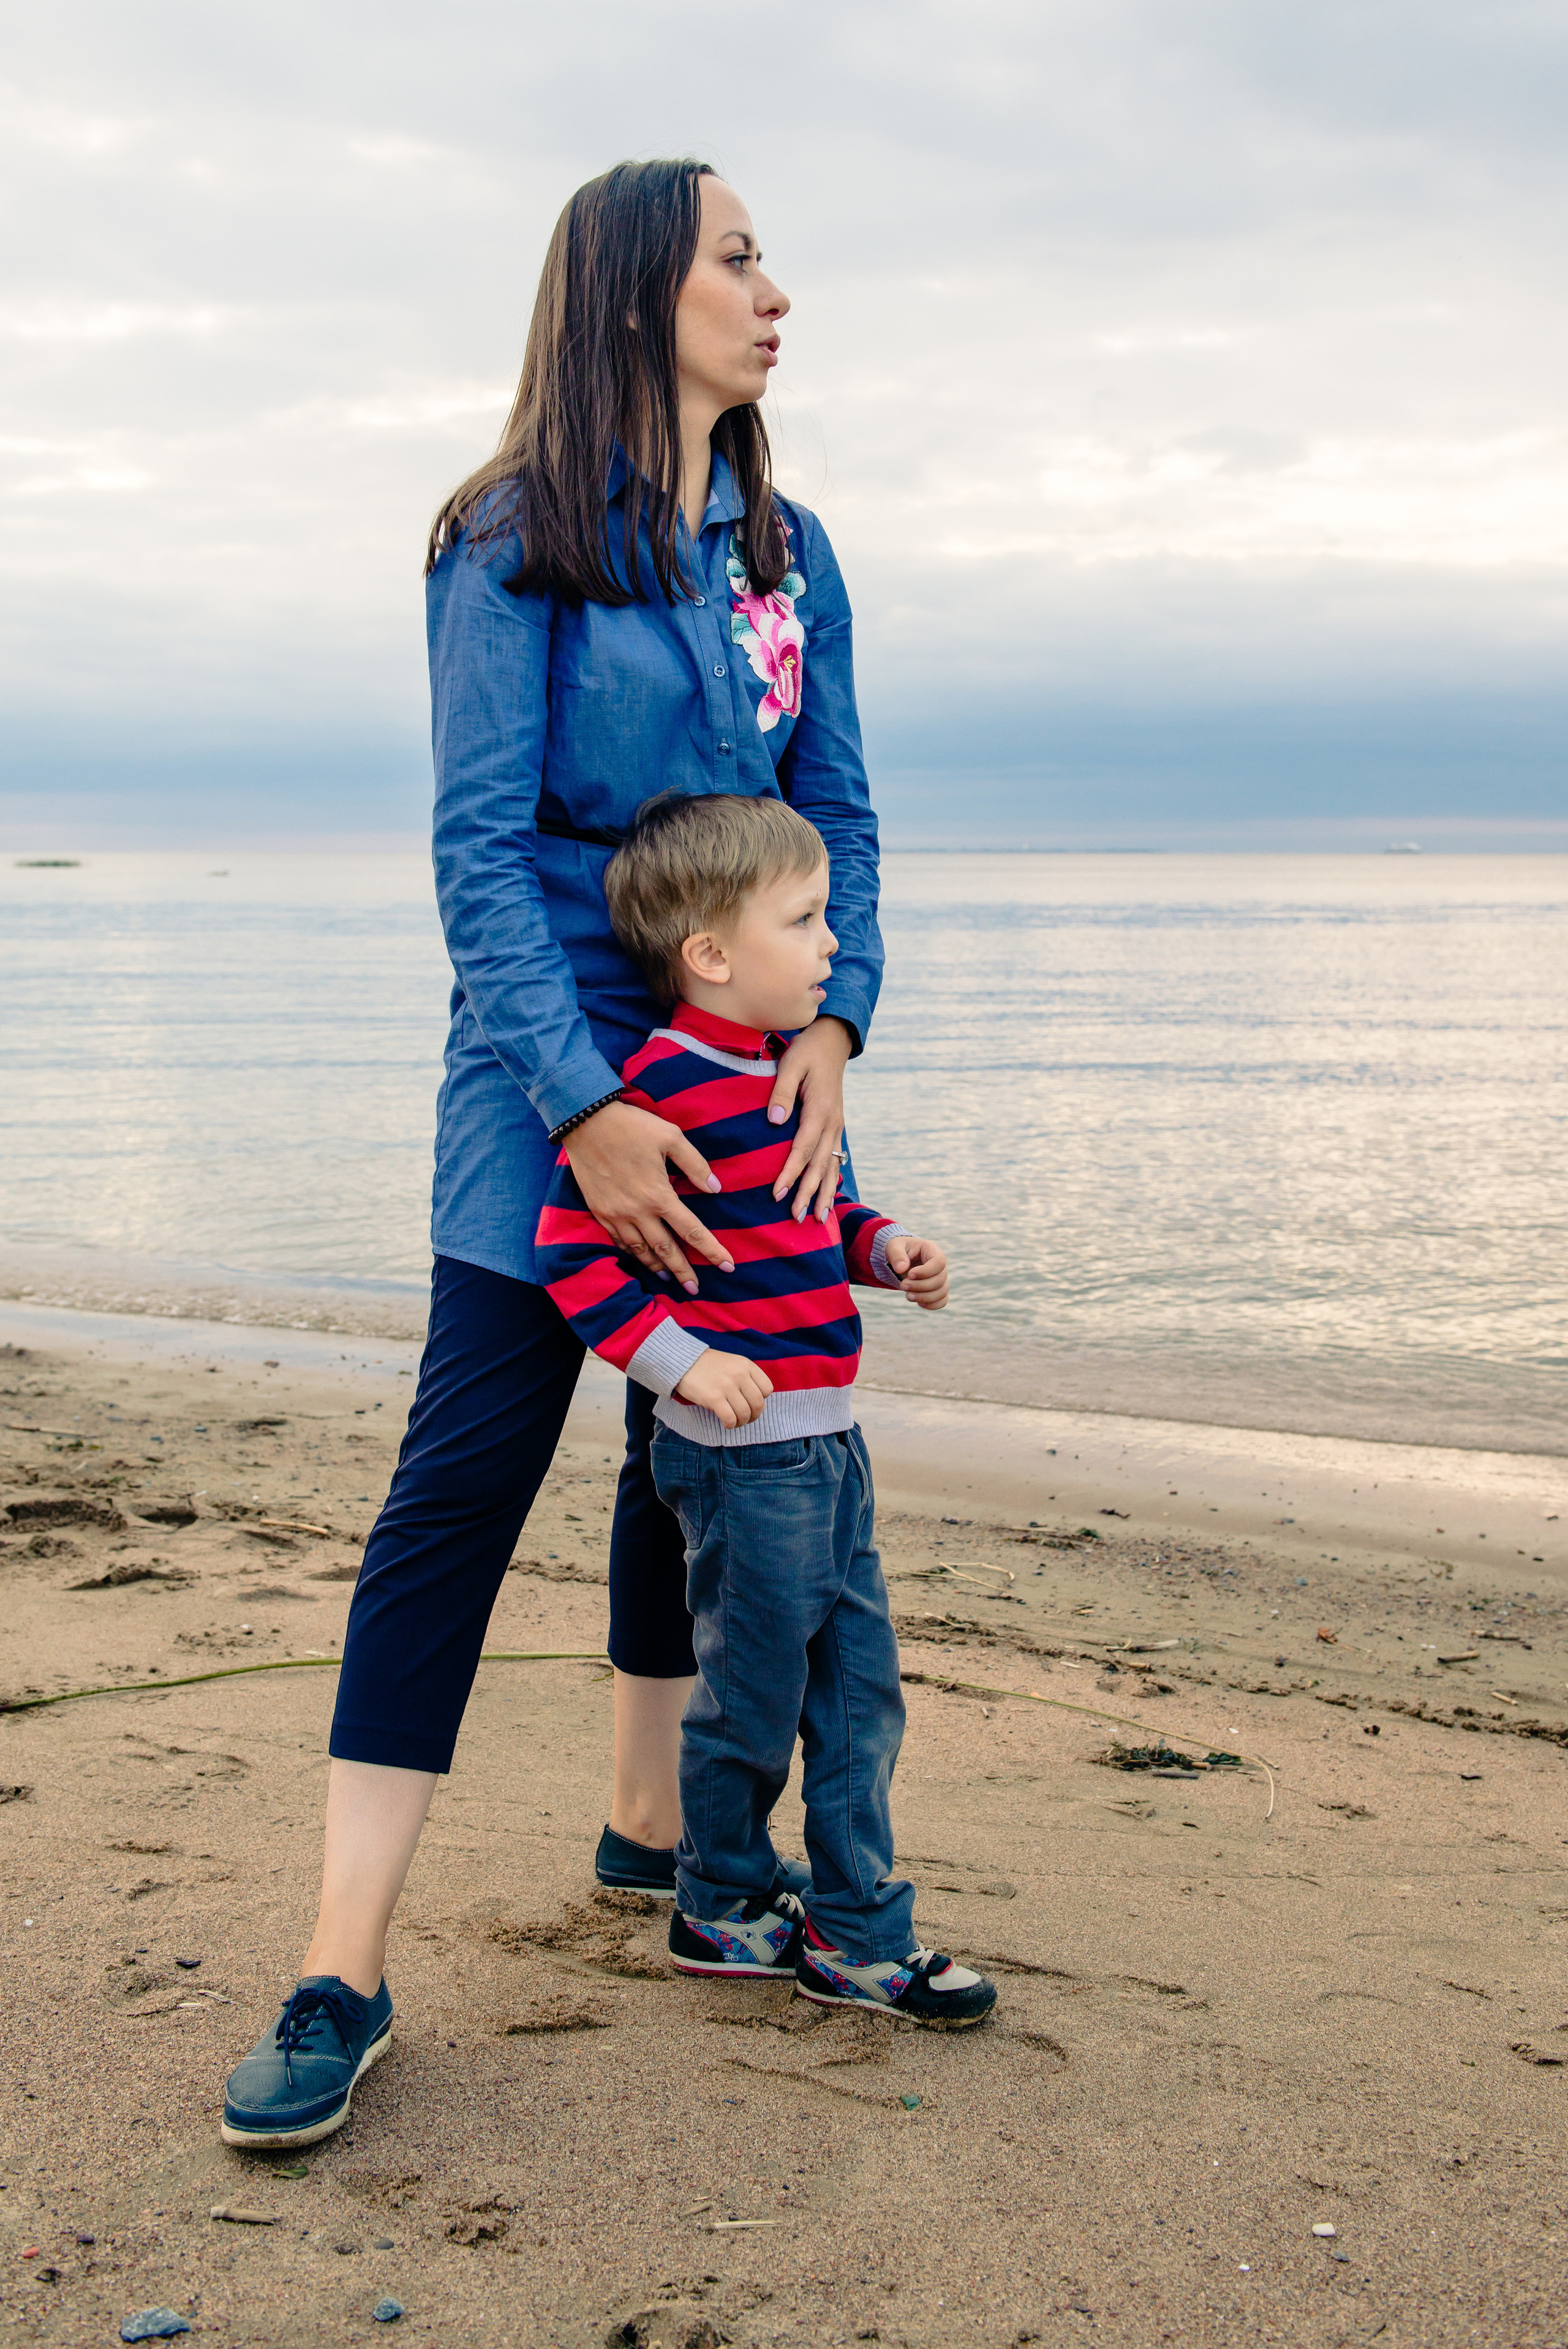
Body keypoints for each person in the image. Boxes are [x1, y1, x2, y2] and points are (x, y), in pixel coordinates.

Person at [220, 157, 885, 2149]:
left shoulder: (792, 554)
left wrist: (840, 1020)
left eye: (770, 258)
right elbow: (477, 847)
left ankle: (647, 1827)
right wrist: (581, 1105)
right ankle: (342, 1963)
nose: (777, 290)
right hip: (543, 1063)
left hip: (747, 1062)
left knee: (699, 1446)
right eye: (739, 259)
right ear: (630, 296)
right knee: (462, 1477)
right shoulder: (506, 539)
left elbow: (834, 805)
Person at [539, 793, 997, 2027]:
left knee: (857, 1691)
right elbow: (571, 1260)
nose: (832, 943)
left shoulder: (784, 1071)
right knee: (752, 1696)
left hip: (828, 1436)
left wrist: (882, 1244)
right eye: (802, 919)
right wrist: (680, 1365)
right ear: (709, 954)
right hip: (742, 1455)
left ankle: (850, 1928)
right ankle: (725, 1896)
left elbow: (810, 1213)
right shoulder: (656, 1092)